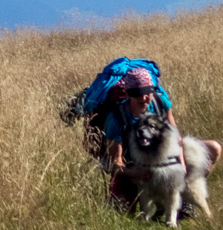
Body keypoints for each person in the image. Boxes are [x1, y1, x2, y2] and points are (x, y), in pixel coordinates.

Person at [71, 57, 173, 211]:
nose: (144, 97)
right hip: (130, 169)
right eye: (138, 92)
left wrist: (179, 166)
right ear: (128, 94)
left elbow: (175, 139)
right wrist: (135, 174)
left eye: (148, 91)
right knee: (122, 208)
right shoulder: (116, 119)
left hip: (160, 166)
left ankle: (176, 203)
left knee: (212, 148)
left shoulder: (160, 103)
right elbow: (115, 163)